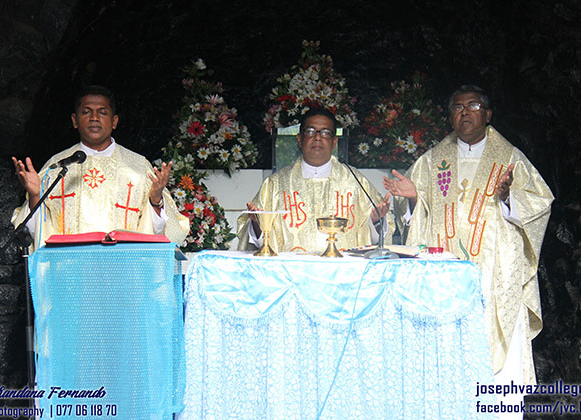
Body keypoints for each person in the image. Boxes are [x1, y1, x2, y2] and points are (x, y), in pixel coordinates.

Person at [384, 85, 554, 412]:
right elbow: (415, 220)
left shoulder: (511, 159)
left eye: (473, 105)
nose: (465, 112)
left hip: (496, 276)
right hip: (444, 279)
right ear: (450, 117)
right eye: (457, 107)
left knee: (500, 371)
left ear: (487, 114)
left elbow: (541, 203)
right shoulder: (432, 162)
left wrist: (508, 197)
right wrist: (413, 199)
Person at [11, 85, 189, 249]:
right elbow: (33, 233)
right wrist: (35, 196)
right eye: (86, 112)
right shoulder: (57, 167)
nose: (94, 118)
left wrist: (155, 201)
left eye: (102, 112)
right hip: (70, 273)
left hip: (123, 270)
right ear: (74, 120)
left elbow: (163, 233)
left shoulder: (139, 167)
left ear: (114, 121)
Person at [237, 107, 395, 253]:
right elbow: (252, 235)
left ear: (334, 142)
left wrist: (375, 221)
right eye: (310, 131)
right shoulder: (275, 184)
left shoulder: (356, 182)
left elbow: (378, 236)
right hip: (292, 275)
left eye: (325, 132)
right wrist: (257, 225)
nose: (318, 137)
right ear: (299, 139)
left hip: (343, 274)